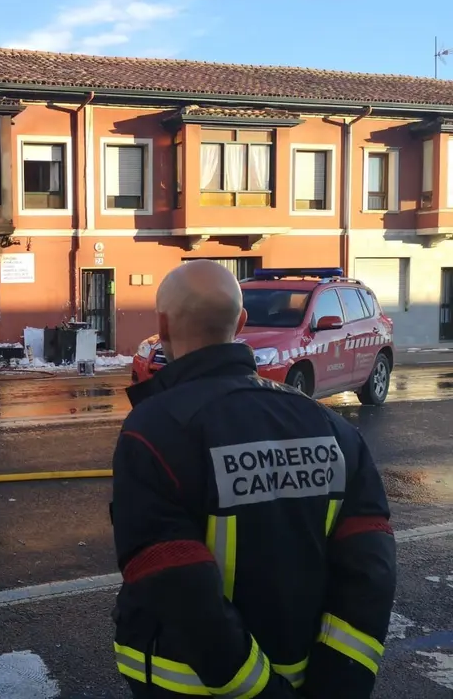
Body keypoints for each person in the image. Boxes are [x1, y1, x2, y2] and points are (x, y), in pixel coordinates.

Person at [110, 260, 396, 699]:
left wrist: (260, 689)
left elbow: (178, 585)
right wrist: (339, 685)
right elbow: (369, 574)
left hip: (190, 685)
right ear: (241, 323)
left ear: (162, 326)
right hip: (309, 677)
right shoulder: (333, 429)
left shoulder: (153, 432)